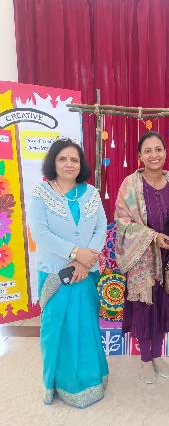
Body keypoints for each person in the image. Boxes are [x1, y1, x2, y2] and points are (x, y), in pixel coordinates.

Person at [30, 138, 108, 408]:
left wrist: (85, 262)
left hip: (86, 273)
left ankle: (91, 381)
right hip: (55, 273)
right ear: (53, 162)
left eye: (74, 159)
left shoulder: (91, 193)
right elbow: (40, 233)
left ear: (80, 164)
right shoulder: (41, 193)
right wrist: (76, 253)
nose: (69, 164)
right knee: (57, 329)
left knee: (85, 326)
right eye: (62, 158)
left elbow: (101, 228)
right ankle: (58, 384)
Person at [115, 131, 169, 384]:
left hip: (168, 258)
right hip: (142, 260)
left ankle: (158, 355)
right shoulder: (130, 185)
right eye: (147, 151)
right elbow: (122, 222)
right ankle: (145, 359)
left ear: (165, 152)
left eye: (158, 149)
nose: (154, 155)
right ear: (140, 156)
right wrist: (152, 237)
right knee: (144, 308)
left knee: (162, 306)